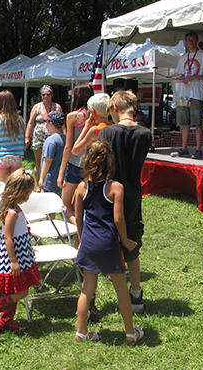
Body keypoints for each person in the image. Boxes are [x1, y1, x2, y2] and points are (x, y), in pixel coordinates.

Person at [73, 140, 143, 345]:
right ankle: (131, 333)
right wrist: (126, 241)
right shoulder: (116, 188)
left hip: (88, 242)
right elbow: (119, 219)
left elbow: (78, 219)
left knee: (87, 289)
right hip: (109, 243)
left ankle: (81, 332)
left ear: (87, 161)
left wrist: (80, 239)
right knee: (121, 289)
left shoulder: (81, 187)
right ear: (109, 162)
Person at [98, 90, 152, 314]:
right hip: (133, 194)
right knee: (133, 246)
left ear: (115, 108)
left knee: (105, 240)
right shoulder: (145, 134)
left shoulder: (107, 132)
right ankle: (136, 294)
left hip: (109, 194)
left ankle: (95, 296)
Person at [0, 168, 40, 332]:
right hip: (13, 257)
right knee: (22, 291)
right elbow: (8, 238)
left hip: (21, 254)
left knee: (14, 290)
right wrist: (13, 261)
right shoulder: (12, 213)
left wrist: (28, 248)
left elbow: (20, 234)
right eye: (28, 191)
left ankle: (7, 320)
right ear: (21, 191)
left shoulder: (16, 209)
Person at [172, 32, 203, 159]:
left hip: (196, 93)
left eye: (193, 39)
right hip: (183, 95)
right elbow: (180, 73)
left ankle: (198, 149)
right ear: (185, 41)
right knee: (184, 122)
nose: (191, 41)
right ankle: (184, 148)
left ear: (197, 41)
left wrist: (195, 77)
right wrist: (181, 79)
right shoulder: (183, 57)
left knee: (197, 123)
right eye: (188, 39)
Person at [57, 84, 94, 224]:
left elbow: (68, 147)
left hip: (74, 163)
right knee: (82, 203)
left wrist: (61, 173)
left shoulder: (73, 116)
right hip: (91, 164)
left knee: (65, 204)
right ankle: (80, 232)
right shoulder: (98, 116)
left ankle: (81, 228)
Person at [24, 85, 64, 180]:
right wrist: (26, 137)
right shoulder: (36, 107)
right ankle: (38, 185)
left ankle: (48, 181)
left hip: (53, 137)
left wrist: (64, 136)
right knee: (39, 163)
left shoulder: (56, 107)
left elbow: (62, 124)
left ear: (52, 95)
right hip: (38, 137)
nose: (45, 96)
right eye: (43, 95)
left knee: (51, 160)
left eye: (48, 94)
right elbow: (30, 122)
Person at [0, 90, 25, 182]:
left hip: (2, 157)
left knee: (3, 186)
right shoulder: (20, 120)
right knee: (14, 185)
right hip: (17, 157)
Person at [37, 111, 66, 195]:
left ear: (51, 124)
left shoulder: (51, 141)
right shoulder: (66, 139)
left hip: (50, 182)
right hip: (62, 181)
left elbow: (48, 160)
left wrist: (42, 177)